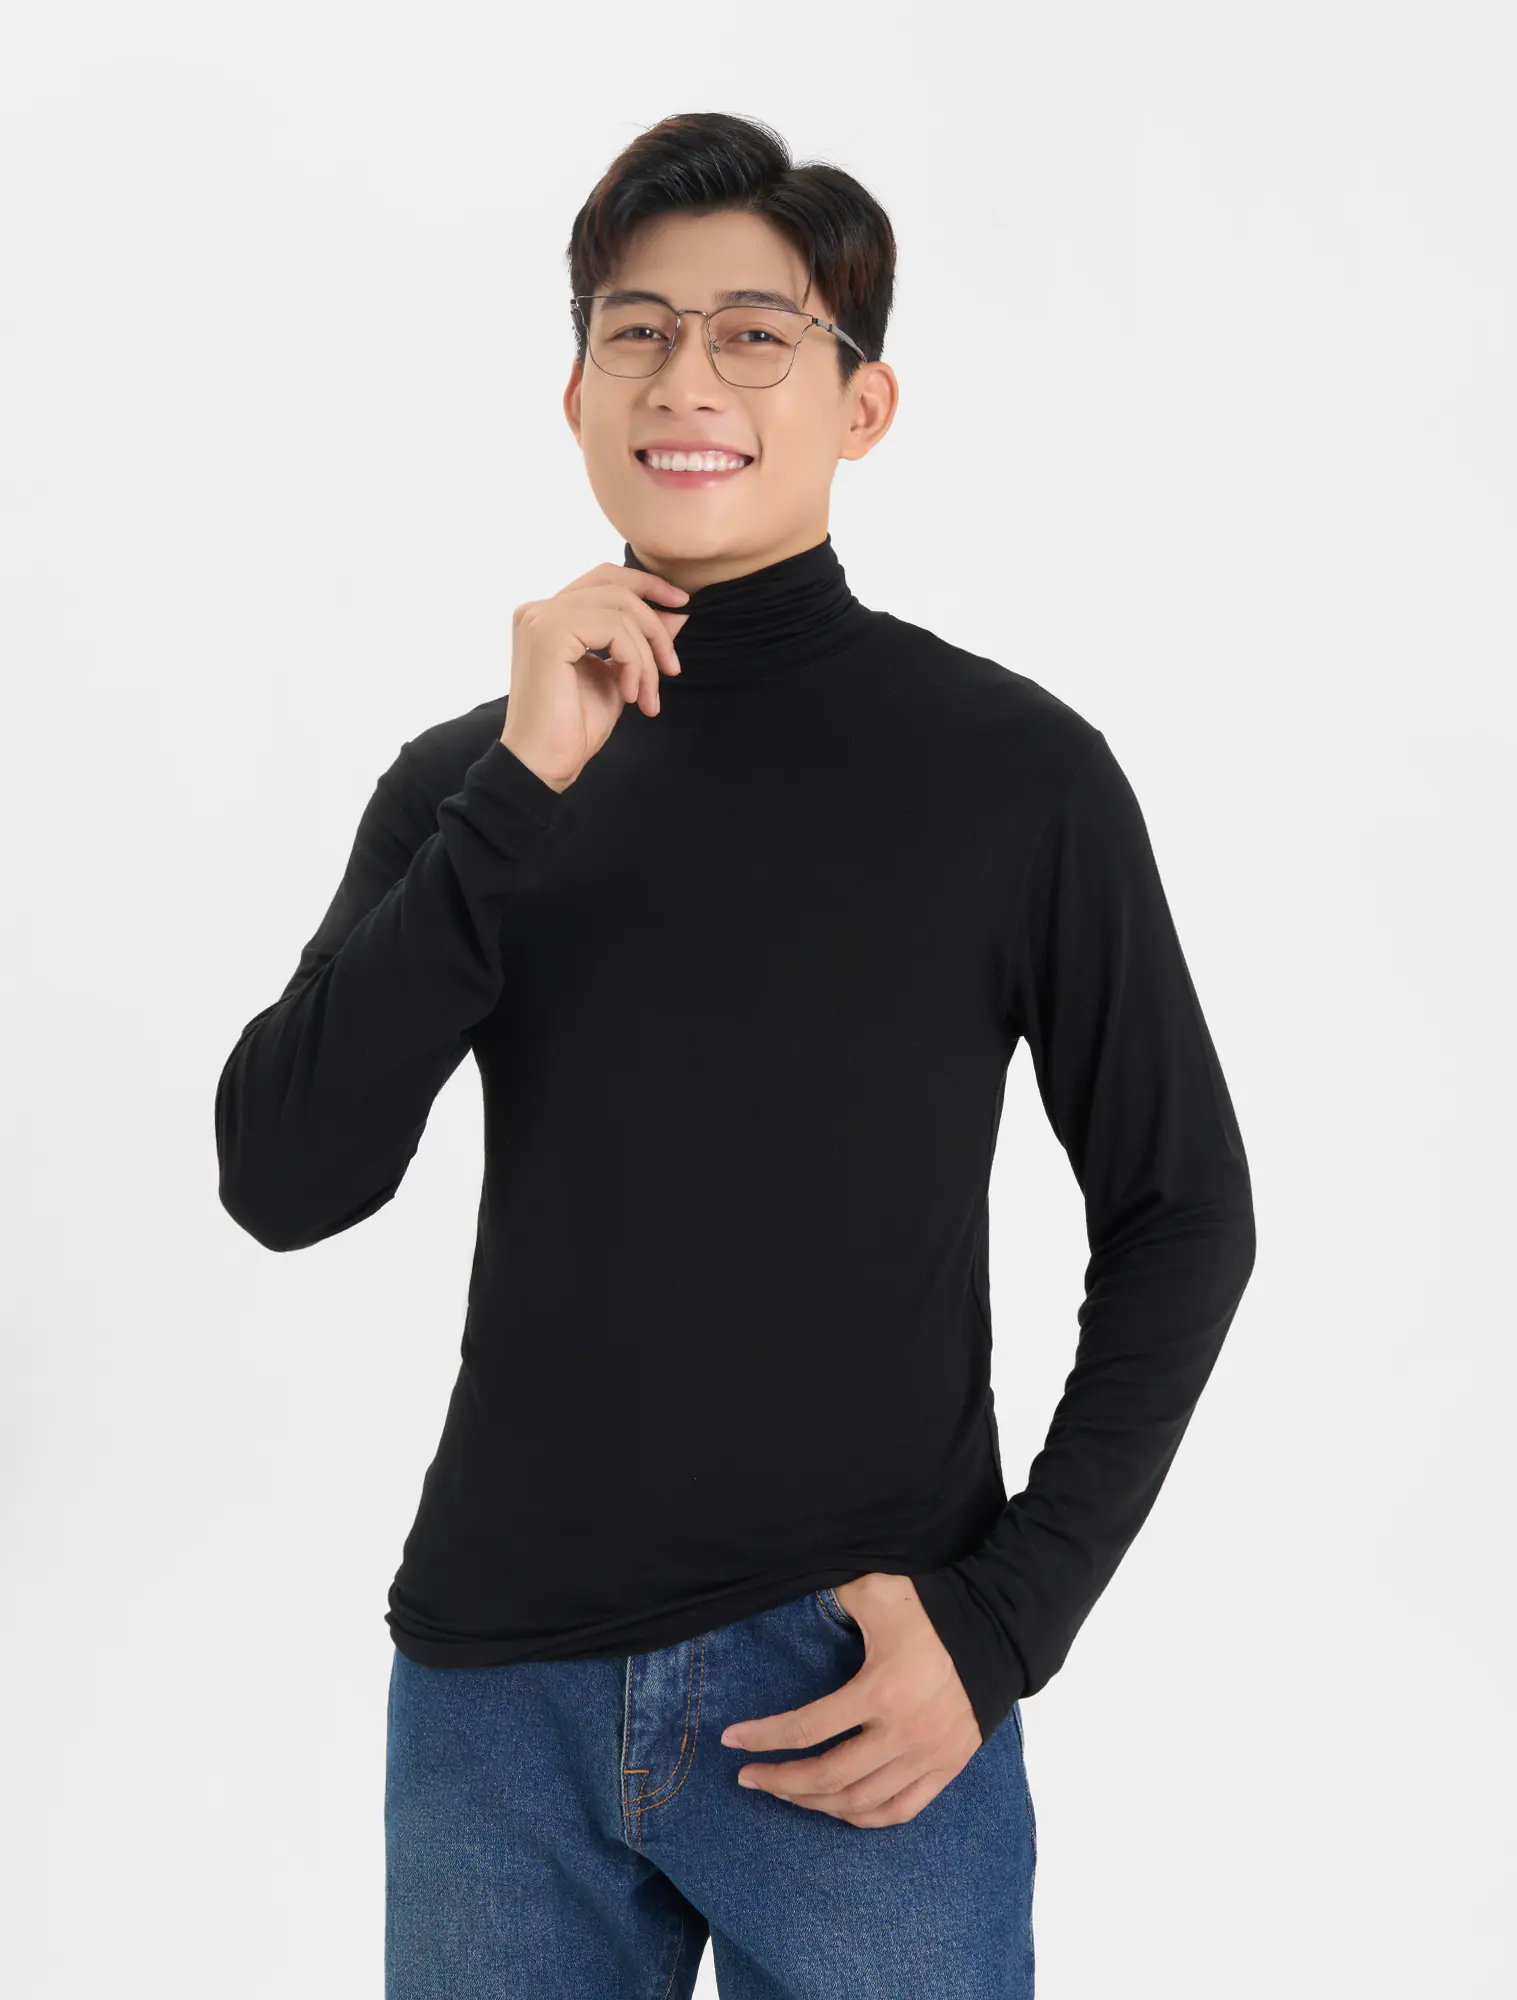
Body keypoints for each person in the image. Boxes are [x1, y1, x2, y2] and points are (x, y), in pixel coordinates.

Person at [215, 110, 1256, 2000]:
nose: (687, 379)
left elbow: (1185, 1213)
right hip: (495, 1706)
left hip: (857, 1684)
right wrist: (522, 788)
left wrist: (1004, 1624)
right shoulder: (471, 783)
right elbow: (285, 1178)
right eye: (638, 330)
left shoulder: (1012, 775)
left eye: (755, 334)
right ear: (577, 389)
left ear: (863, 403)